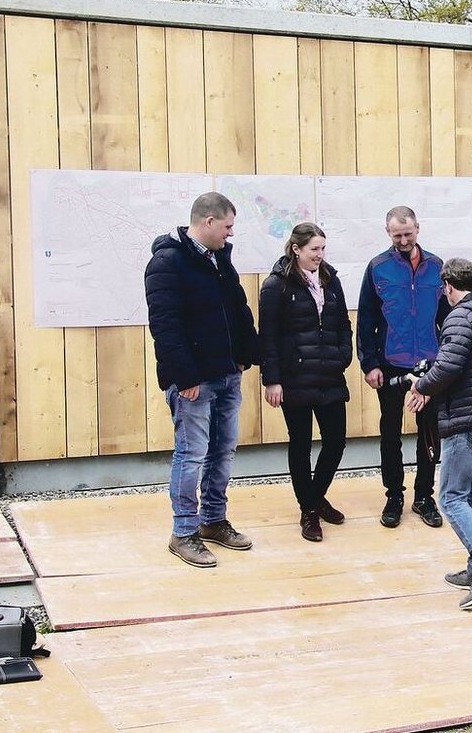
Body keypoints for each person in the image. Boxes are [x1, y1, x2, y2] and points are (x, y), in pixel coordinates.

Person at [144, 192, 260, 568]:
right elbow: (165, 326)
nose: (230, 234)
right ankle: (184, 531)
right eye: (226, 227)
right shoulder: (168, 262)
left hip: (226, 373)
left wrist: (246, 355)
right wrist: (185, 376)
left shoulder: (220, 259)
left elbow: (238, 310)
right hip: (194, 380)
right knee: (191, 454)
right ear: (208, 222)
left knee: (222, 451)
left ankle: (213, 521)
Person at [405, 258, 472, 609]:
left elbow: (449, 367)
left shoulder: (459, 317)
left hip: (468, 420)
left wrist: (420, 384)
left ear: (449, 286)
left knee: (451, 497)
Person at [259, 223, 353, 543]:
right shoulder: (277, 285)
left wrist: (343, 355)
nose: (320, 255)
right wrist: (272, 380)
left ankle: (314, 496)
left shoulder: (331, 278)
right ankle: (309, 510)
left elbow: (343, 324)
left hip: (329, 374)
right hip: (294, 378)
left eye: (323, 249)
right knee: (300, 445)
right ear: (297, 249)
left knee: (336, 442)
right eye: (314, 249)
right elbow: (267, 336)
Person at [357, 206, 445, 529]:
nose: (404, 240)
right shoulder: (378, 268)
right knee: (390, 432)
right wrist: (369, 364)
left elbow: (448, 318)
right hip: (391, 365)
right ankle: (394, 495)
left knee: (429, 432)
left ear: (418, 228)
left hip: (430, 366)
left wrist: (447, 362)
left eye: (408, 233)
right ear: (388, 233)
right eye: (397, 235)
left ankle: (424, 496)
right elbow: (365, 318)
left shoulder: (437, 267)